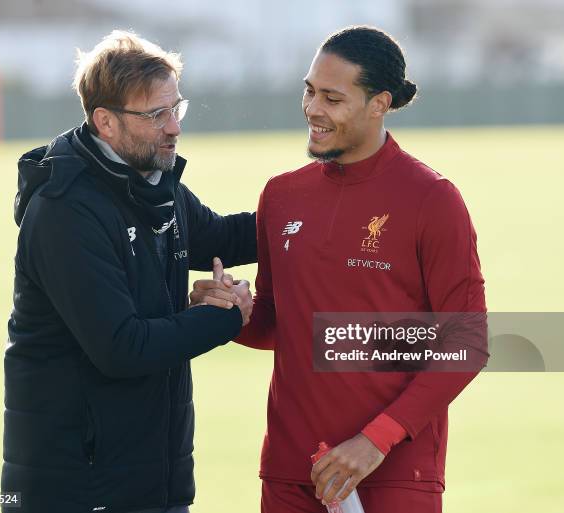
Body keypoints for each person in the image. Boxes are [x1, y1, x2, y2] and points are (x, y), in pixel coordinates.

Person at [190, 26, 488, 513]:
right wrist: (231, 312)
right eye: (309, 91)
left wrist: (375, 441)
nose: (312, 109)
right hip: (292, 473)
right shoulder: (281, 195)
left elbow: (468, 341)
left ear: (379, 103)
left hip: (393, 474)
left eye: (332, 97)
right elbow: (278, 322)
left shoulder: (433, 200)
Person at [2, 30, 256, 513]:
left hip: (151, 484)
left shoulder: (152, 183)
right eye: (156, 114)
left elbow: (223, 237)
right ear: (106, 122)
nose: (174, 127)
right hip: (76, 489)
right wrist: (227, 316)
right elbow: (122, 348)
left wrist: (306, 215)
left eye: (175, 109)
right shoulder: (66, 209)